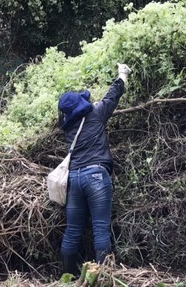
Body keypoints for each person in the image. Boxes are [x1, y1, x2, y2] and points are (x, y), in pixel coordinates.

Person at [57, 63, 132, 275]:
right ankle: (104, 277)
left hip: (74, 179)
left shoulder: (68, 128)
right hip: (97, 176)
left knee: (72, 231)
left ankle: (68, 277)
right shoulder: (96, 114)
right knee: (101, 228)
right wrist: (122, 74)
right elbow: (112, 96)